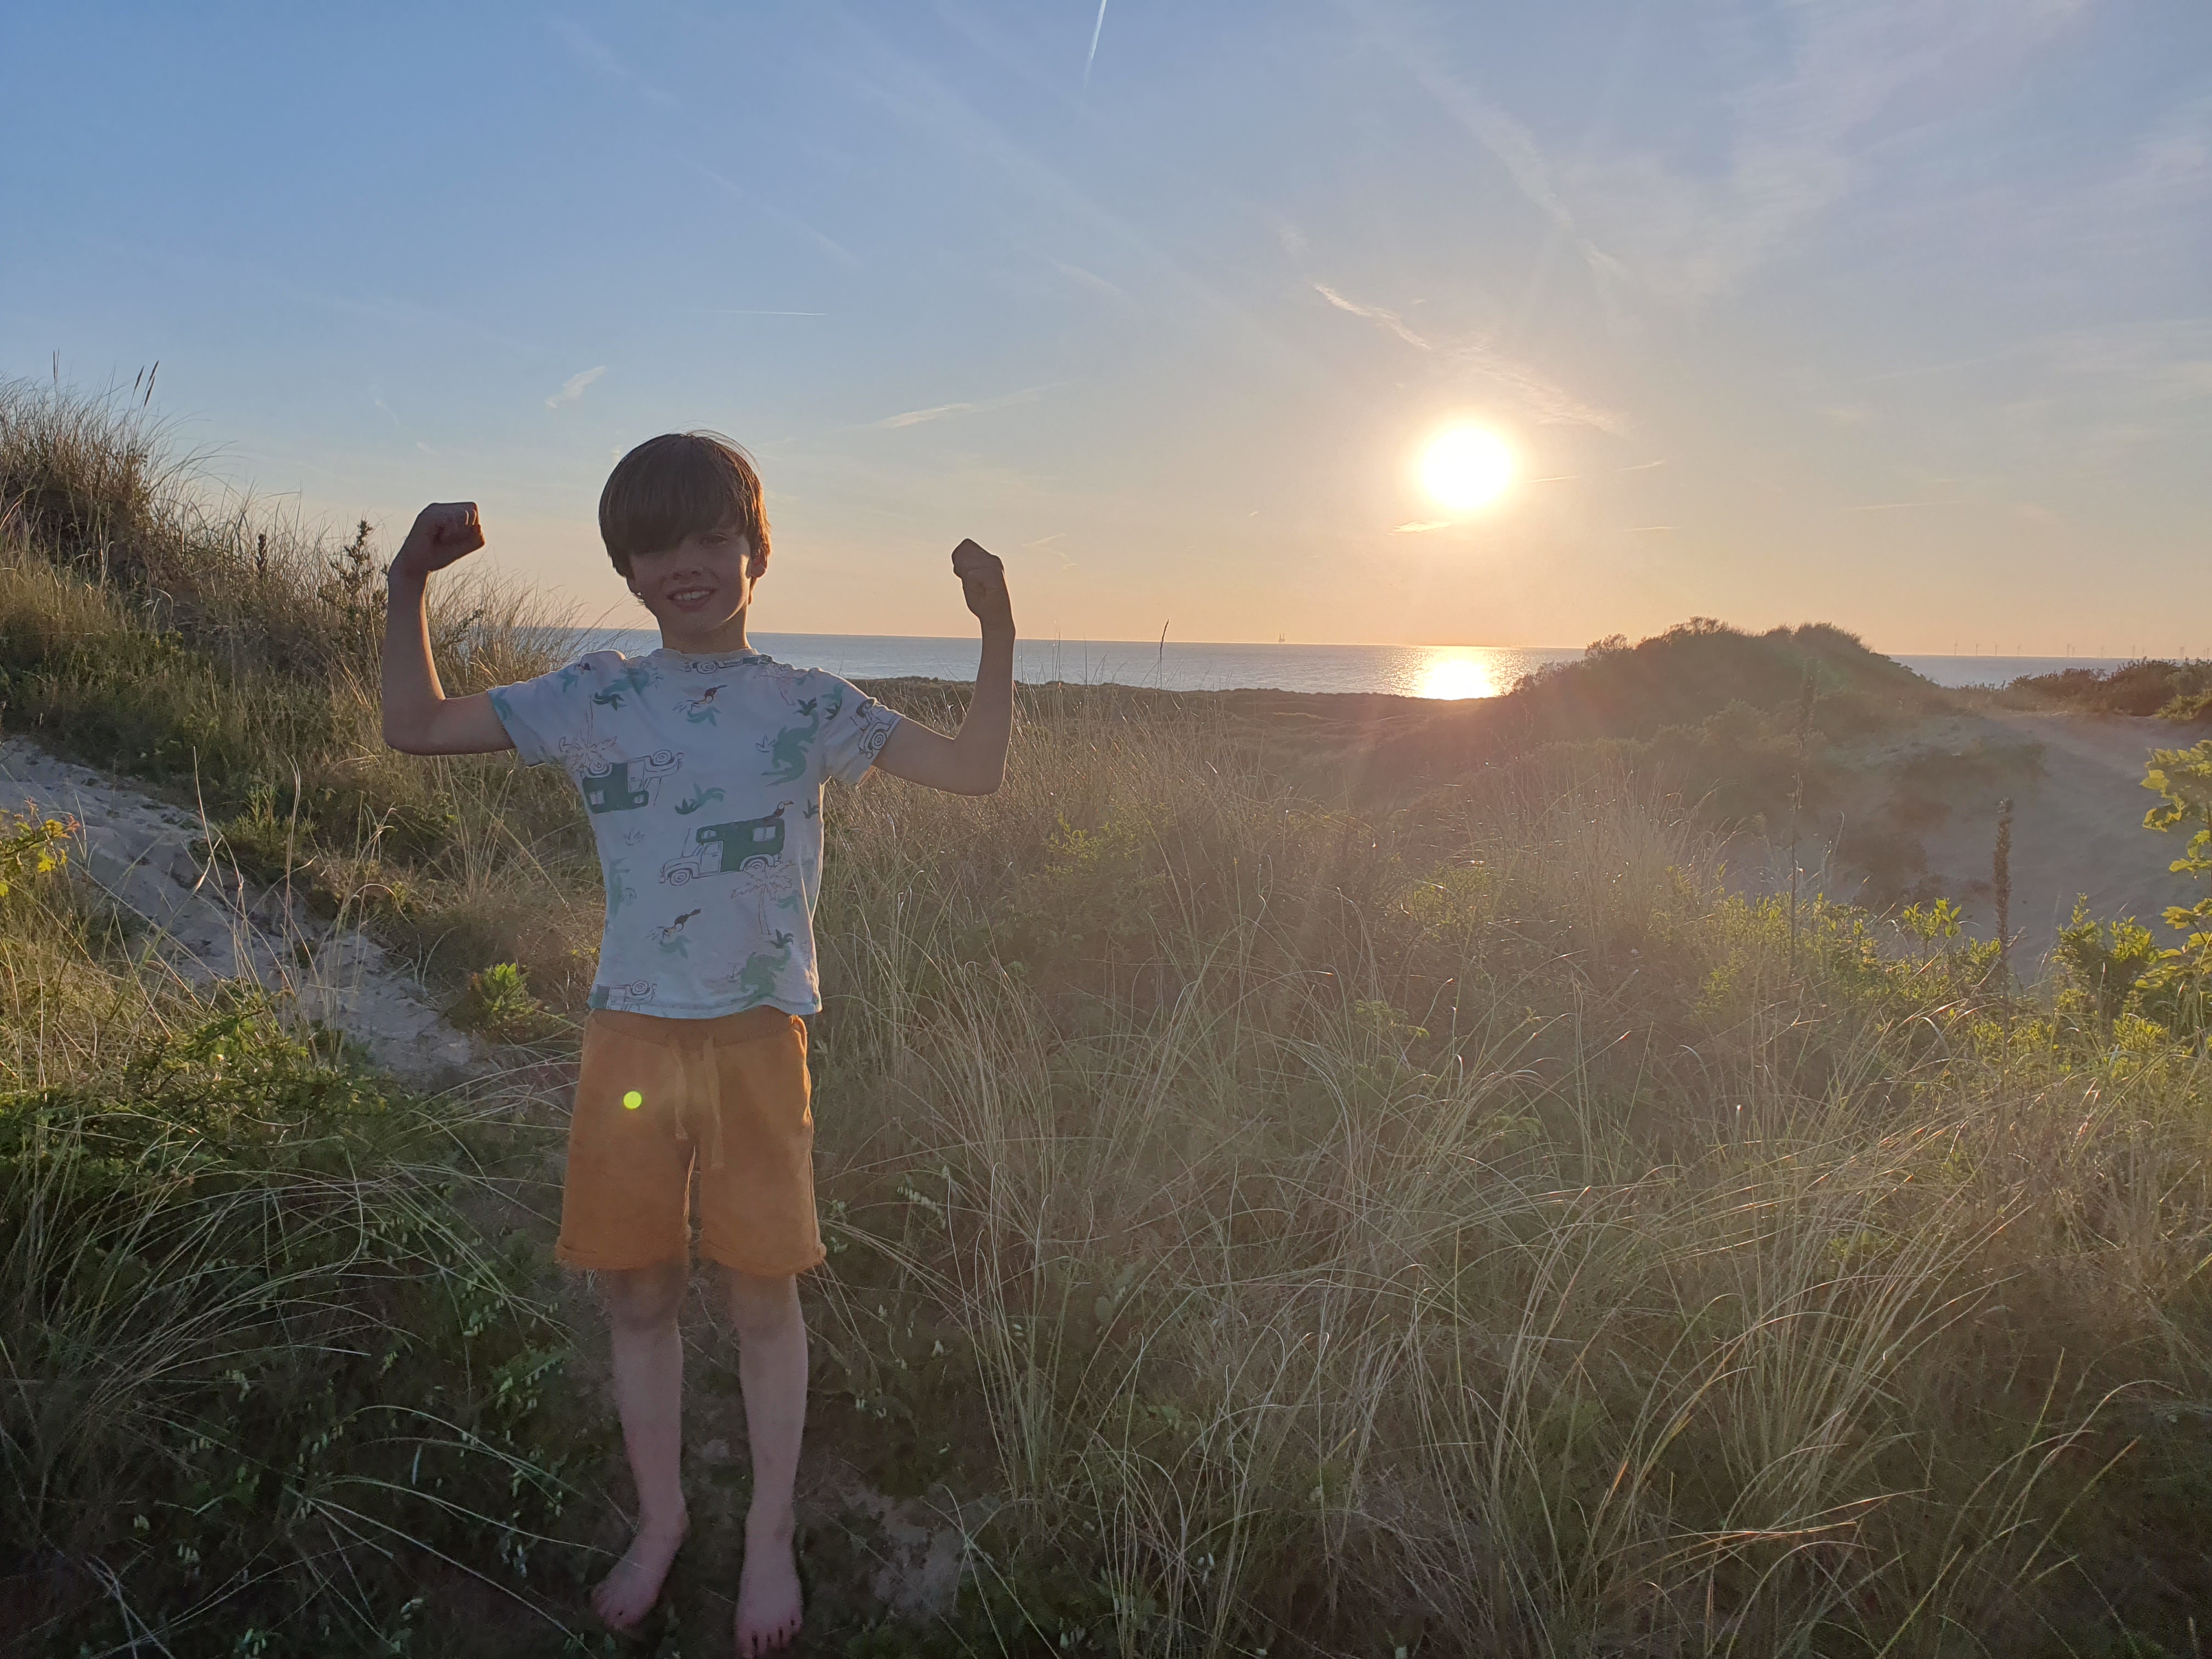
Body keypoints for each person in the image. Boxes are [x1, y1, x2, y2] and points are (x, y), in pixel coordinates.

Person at [378, 431, 1013, 1652]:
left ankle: (769, 1534)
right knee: (639, 1293)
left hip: (760, 1040)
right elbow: (414, 724)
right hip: (631, 1039)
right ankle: (662, 1518)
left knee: (763, 1297)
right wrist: (406, 584)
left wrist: (996, 627)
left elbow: (975, 770)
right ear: (625, 568)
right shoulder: (594, 693)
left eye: (710, 538)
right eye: (656, 545)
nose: (687, 564)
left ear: (754, 549)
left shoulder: (809, 703)